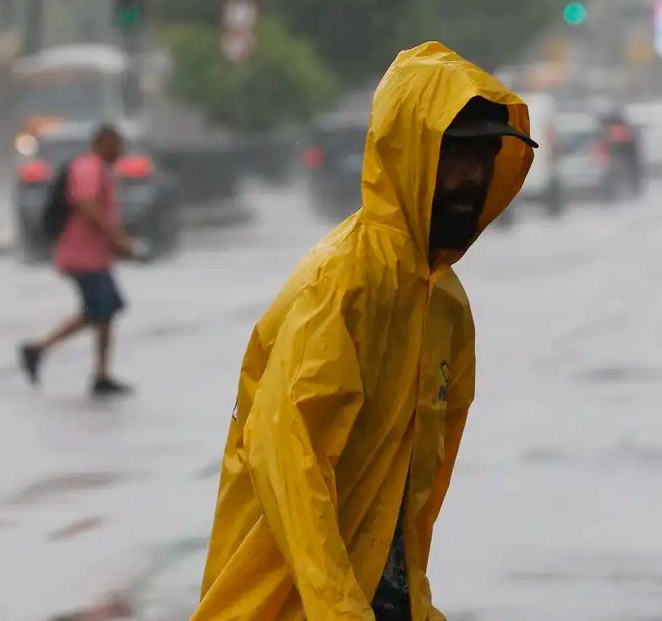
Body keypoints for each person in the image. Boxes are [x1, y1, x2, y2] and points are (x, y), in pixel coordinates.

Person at [190, 42, 538, 621]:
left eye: (483, 155)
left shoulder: (445, 305)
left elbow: (411, 496)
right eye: (454, 154)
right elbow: (289, 458)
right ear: (408, 152)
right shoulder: (343, 284)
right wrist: (339, 608)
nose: (472, 177)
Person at [19, 124, 138, 397]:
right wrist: (116, 236)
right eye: (117, 145)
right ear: (104, 143)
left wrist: (115, 243)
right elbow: (86, 204)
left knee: (103, 311)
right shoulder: (89, 168)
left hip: (93, 256)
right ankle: (39, 349)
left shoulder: (99, 169)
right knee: (99, 310)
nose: (121, 152)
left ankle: (100, 374)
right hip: (81, 256)